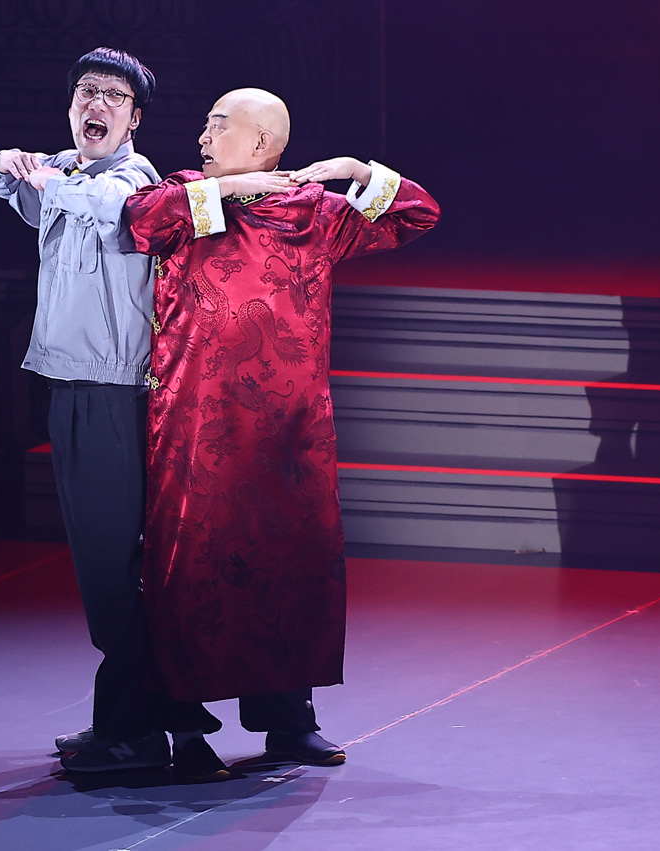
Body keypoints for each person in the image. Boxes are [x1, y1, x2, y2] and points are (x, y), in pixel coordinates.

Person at [123, 88, 441, 771]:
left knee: (288, 567)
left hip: (288, 429)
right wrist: (230, 187)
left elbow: (418, 213)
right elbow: (141, 222)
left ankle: (289, 721)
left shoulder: (314, 214)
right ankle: (184, 729)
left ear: (263, 142)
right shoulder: (190, 197)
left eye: (218, 125)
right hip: (198, 422)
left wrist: (357, 171)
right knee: (192, 566)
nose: (203, 137)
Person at [0, 47, 212, 776]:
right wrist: (10, 162)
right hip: (69, 385)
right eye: (87, 91)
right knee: (100, 566)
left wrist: (45, 174)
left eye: (115, 96)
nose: (98, 104)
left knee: (116, 568)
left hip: (113, 392)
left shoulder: (134, 183)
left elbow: (99, 205)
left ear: (135, 118)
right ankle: (130, 720)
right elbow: (14, 186)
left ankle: (141, 733)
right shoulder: (70, 174)